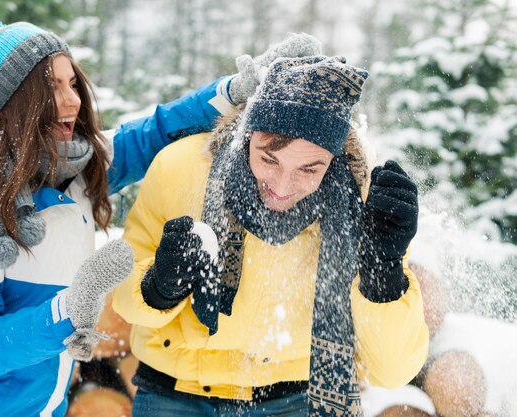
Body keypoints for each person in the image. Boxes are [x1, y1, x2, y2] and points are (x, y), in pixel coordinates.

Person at [0, 20, 320, 417]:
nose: (72, 101)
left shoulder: (75, 166)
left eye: (73, 83)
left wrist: (235, 90)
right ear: (13, 100)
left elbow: (154, 133)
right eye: (50, 87)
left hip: (42, 406)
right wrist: (67, 311)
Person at [112, 55, 430, 416]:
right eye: (269, 159)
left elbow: (393, 371)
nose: (281, 187)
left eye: (309, 169)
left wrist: (383, 274)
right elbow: (125, 297)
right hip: (175, 394)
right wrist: (160, 285)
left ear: (335, 158)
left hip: (297, 399)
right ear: (248, 134)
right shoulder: (181, 167)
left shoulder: (361, 198)